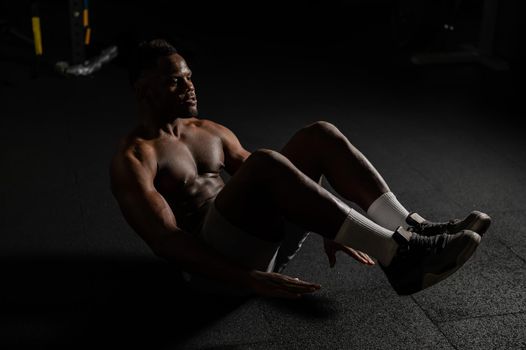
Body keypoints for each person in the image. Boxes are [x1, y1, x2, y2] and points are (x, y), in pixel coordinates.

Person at [109, 39, 491, 299]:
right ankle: (398, 256)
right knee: (264, 161)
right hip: (217, 274)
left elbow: (287, 179)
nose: (190, 87)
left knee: (318, 135)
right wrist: (249, 281)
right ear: (144, 89)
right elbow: (167, 241)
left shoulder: (208, 131)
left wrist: (323, 214)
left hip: (259, 245)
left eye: (190, 77)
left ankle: (410, 229)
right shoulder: (134, 159)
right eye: (176, 81)